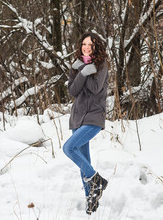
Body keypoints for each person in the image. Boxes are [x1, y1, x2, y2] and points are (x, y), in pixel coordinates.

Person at [63, 32, 109, 215]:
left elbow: (96, 88)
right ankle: (92, 199)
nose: (86, 47)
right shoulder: (76, 65)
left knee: (69, 148)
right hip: (77, 117)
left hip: (93, 117)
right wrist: (83, 71)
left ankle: (96, 179)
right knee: (84, 161)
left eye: (90, 44)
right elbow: (73, 90)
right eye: (84, 43)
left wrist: (86, 71)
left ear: (96, 46)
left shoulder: (101, 64)